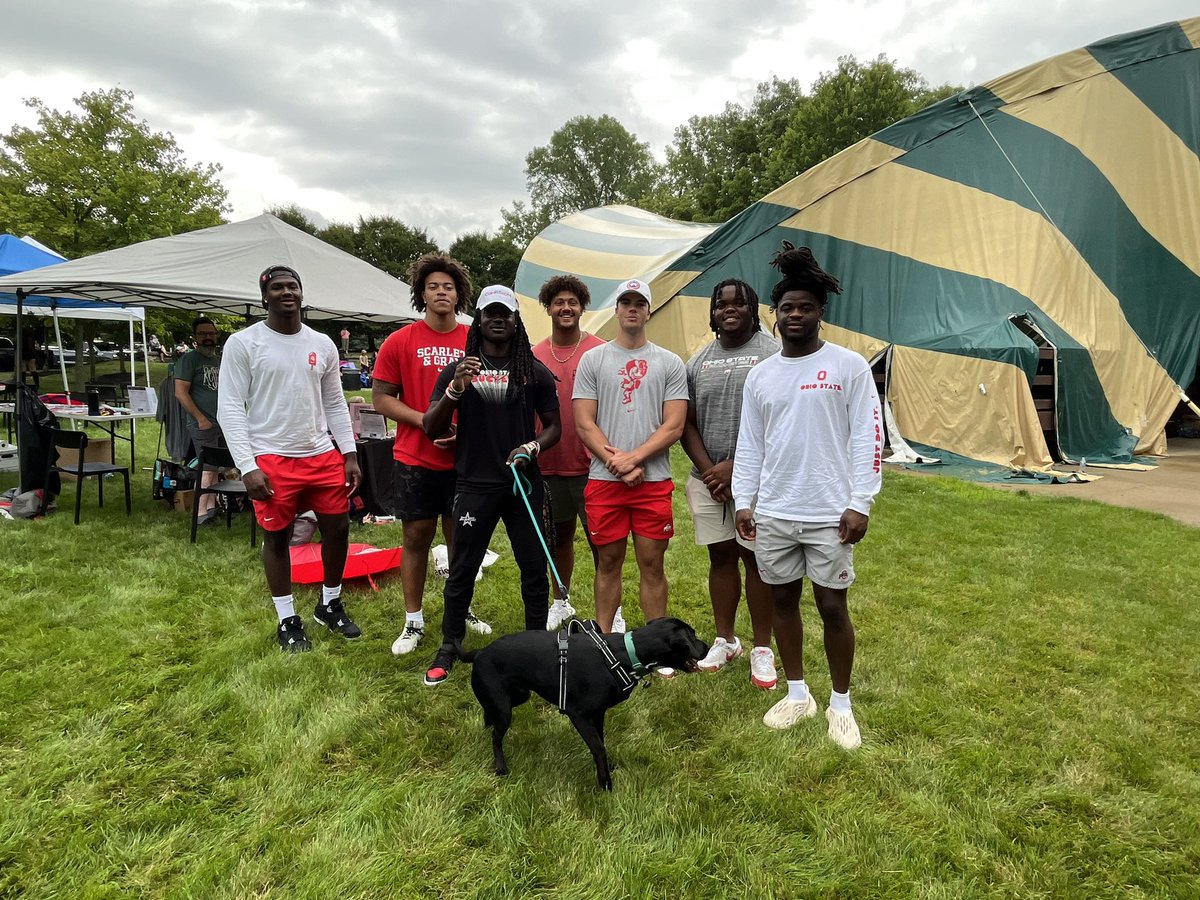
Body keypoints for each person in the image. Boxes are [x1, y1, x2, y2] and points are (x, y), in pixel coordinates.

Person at [732, 244, 882, 749]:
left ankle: (841, 703)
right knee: (781, 600)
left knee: (832, 606)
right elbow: (749, 443)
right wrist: (744, 500)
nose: (796, 315)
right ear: (776, 316)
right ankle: (798, 693)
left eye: (806, 307)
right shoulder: (762, 375)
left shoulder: (849, 367)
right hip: (774, 509)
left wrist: (861, 501)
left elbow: (868, 437)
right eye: (787, 308)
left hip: (830, 513)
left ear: (821, 312)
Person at [420, 285, 561, 686]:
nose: (498, 320)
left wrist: (531, 446)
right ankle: (450, 645)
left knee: (533, 568)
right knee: (462, 568)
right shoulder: (459, 369)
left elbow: (555, 427)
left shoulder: (531, 370)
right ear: (478, 320)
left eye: (505, 314)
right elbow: (431, 427)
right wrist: (455, 390)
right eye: (489, 313)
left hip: (522, 484)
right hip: (474, 485)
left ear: (516, 321)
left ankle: (537, 646)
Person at [218, 265, 363, 652]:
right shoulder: (244, 343)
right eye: (278, 287)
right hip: (271, 456)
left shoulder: (323, 343)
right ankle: (287, 619)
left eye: (293, 286)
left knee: (338, 529)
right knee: (277, 537)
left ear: (302, 293)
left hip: (320, 454)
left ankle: (329, 603)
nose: (287, 292)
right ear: (264, 296)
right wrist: (248, 466)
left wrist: (348, 452)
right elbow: (229, 408)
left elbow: (334, 402)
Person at [371, 252, 490, 657]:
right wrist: (425, 420)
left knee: (463, 540)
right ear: (421, 294)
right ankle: (414, 620)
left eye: (449, 286)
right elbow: (382, 399)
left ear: (459, 295)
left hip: (464, 461)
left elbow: (490, 399)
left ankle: (462, 610)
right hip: (415, 460)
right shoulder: (400, 341)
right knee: (416, 538)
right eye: (433, 286)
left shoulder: (476, 339)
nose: (441, 292)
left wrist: (464, 433)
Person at [574, 278, 688, 645]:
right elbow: (583, 422)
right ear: (617, 309)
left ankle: (658, 645)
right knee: (608, 563)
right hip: (605, 481)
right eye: (626, 302)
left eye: (639, 302)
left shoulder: (669, 362)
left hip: (652, 481)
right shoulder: (594, 359)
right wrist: (617, 464)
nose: (632, 308)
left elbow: (674, 424)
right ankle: (605, 642)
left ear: (649, 311)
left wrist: (634, 459)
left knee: (652, 564)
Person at [681, 279, 779, 687]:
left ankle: (762, 648)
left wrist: (737, 469)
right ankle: (725, 640)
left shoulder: (773, 355)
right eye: (721, 304)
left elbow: (782, 422)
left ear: (752, 307)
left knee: (755, 559)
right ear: (713, 312)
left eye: (739, 303)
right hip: (708, 480)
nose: (729, 309)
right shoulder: (698, 361)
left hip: (757, 482)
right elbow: (685, 422)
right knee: (721, 558)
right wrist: (710, 472)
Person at [531, 274, 606, 629]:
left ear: (582, 308)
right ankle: (561, 600)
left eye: (572, 302)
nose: (566, 308)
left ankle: (611, 607)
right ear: (548, 308)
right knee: (558, 539)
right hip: (549, 464)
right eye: (559, 302)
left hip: (594, 465)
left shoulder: (602, 350)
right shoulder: (533, 355)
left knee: (601, 541)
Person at [175, 317, 224, 526]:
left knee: (217, 468)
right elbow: (180, 393)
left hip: (221, 422)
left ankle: (212, 508)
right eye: (203, 334)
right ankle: (200, 514)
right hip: (202, 424)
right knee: (206, 469)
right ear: (195, 337)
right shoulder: (189, 360)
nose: (208, 337)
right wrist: (200, 418)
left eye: (211, 333)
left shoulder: (218, 360)